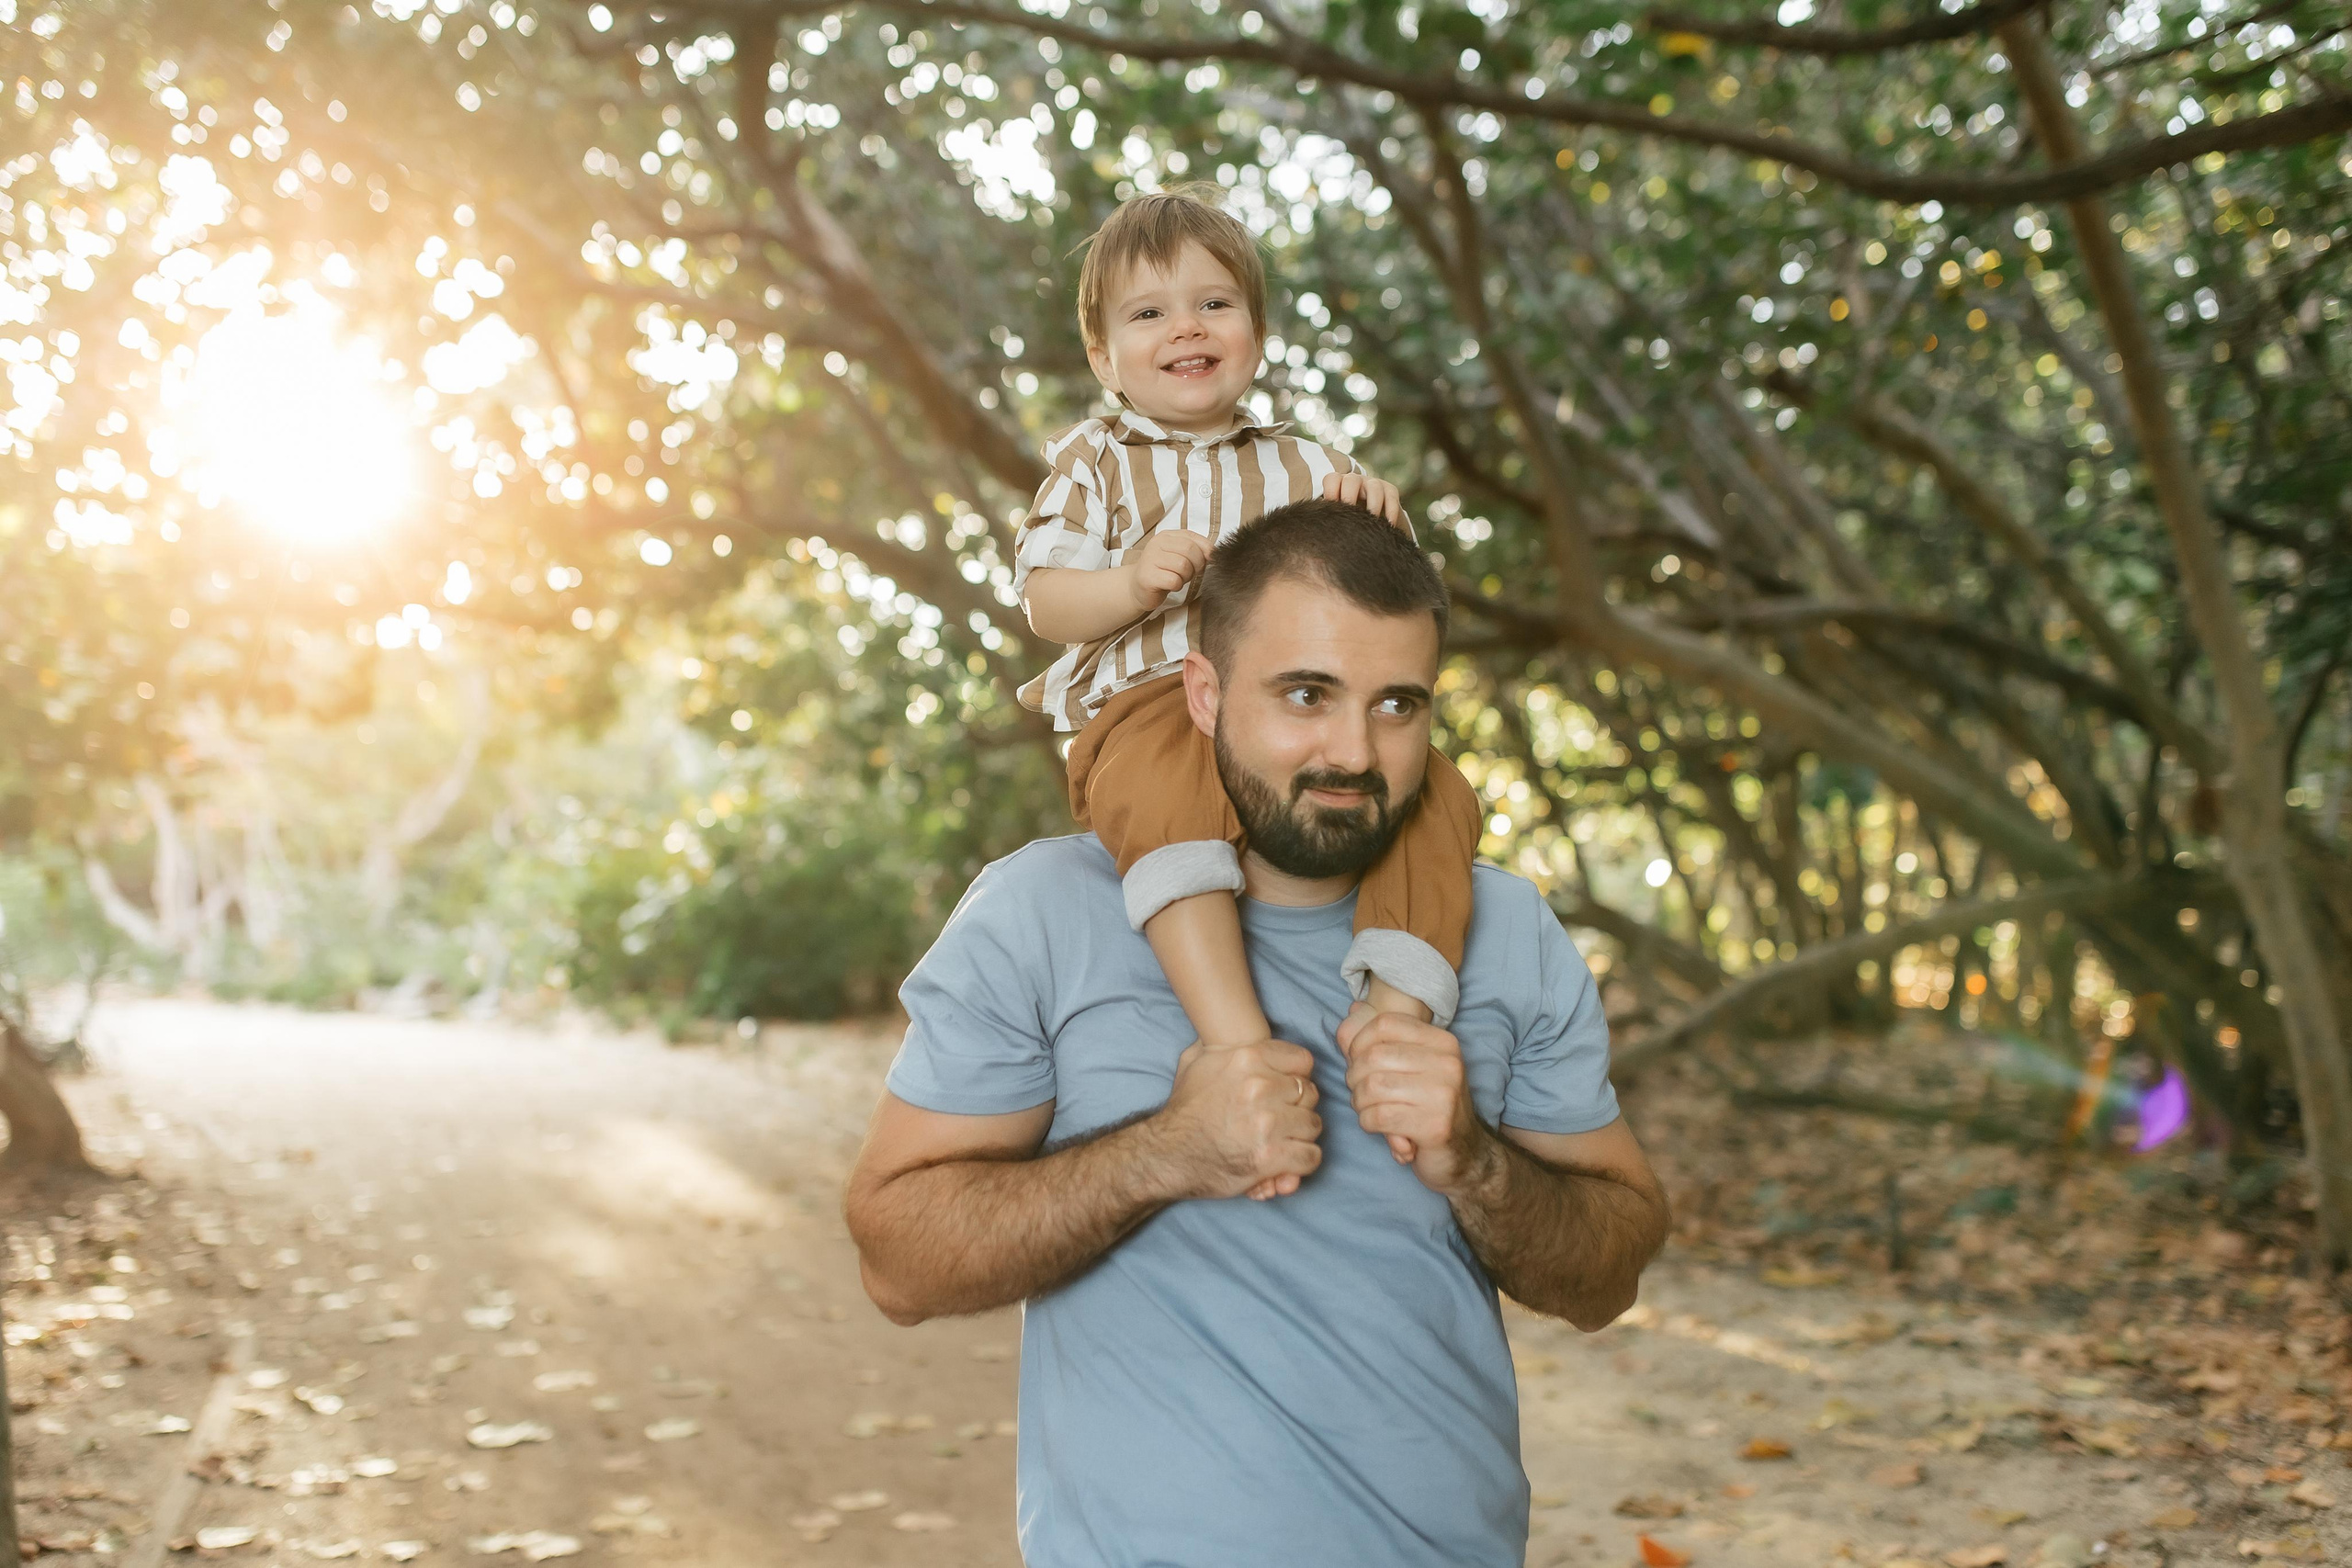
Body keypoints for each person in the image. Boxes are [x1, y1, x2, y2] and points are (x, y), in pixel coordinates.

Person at [846, 502, 1670, 1566]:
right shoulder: (1039, 910)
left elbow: (1609, 1274)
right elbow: (897, 1263)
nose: (1353, 751)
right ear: (1204, 692)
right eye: (1305, 695)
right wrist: (1167, 1151)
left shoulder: (1504, 929)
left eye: (1397, 706)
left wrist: (1473, 1161)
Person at [1015, 187, 1485, 1109]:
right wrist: (1131, 580)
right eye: (1149, 312)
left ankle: (1394, 1016)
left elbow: (1388, 590)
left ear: (1256, 333)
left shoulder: (1307, 465)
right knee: (1167, 787)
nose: (1185, 327)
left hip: (1285, 716)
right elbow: (1045, 602)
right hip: (1148, 704)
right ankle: (1235, 1036)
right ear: (1104, 356)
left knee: (1439, 793)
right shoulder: (1094, 461)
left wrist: (1381, 515)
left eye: (1213, 303)